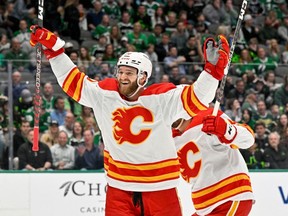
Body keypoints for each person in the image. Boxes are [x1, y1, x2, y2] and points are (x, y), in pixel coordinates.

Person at [29, 25, 229, 216]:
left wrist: (212, 71)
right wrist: (55, 50)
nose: (123, 77)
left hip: (160, 189)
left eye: (129, 73)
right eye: (121, 71)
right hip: (120, 189)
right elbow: (72, 81)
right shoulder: (105, 94)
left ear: (143, 77)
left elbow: (199, 97)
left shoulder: (162, 98)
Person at [173, 108, 255, 215]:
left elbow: (248, 139)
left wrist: (226, 129)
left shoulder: (208, 116)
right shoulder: (167, 136)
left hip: (229, 197)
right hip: (204, 207)